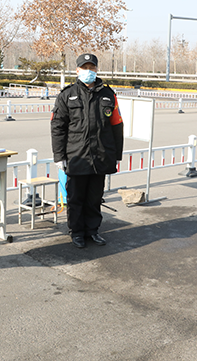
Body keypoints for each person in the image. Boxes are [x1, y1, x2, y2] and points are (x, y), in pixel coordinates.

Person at [51, 53, 124, 248]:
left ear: (97, 69)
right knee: (76, 198)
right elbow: (57, 127)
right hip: (77, 156)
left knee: (94, 197)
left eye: (92, 68)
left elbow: (117, 126)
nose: (88, 71)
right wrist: (59, 156)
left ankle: (93, 231)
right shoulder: (67, 95)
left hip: (101, 155)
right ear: (77, 70)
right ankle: (77, 233)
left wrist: (117, 154)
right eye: (85, 68)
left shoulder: (108, 94)